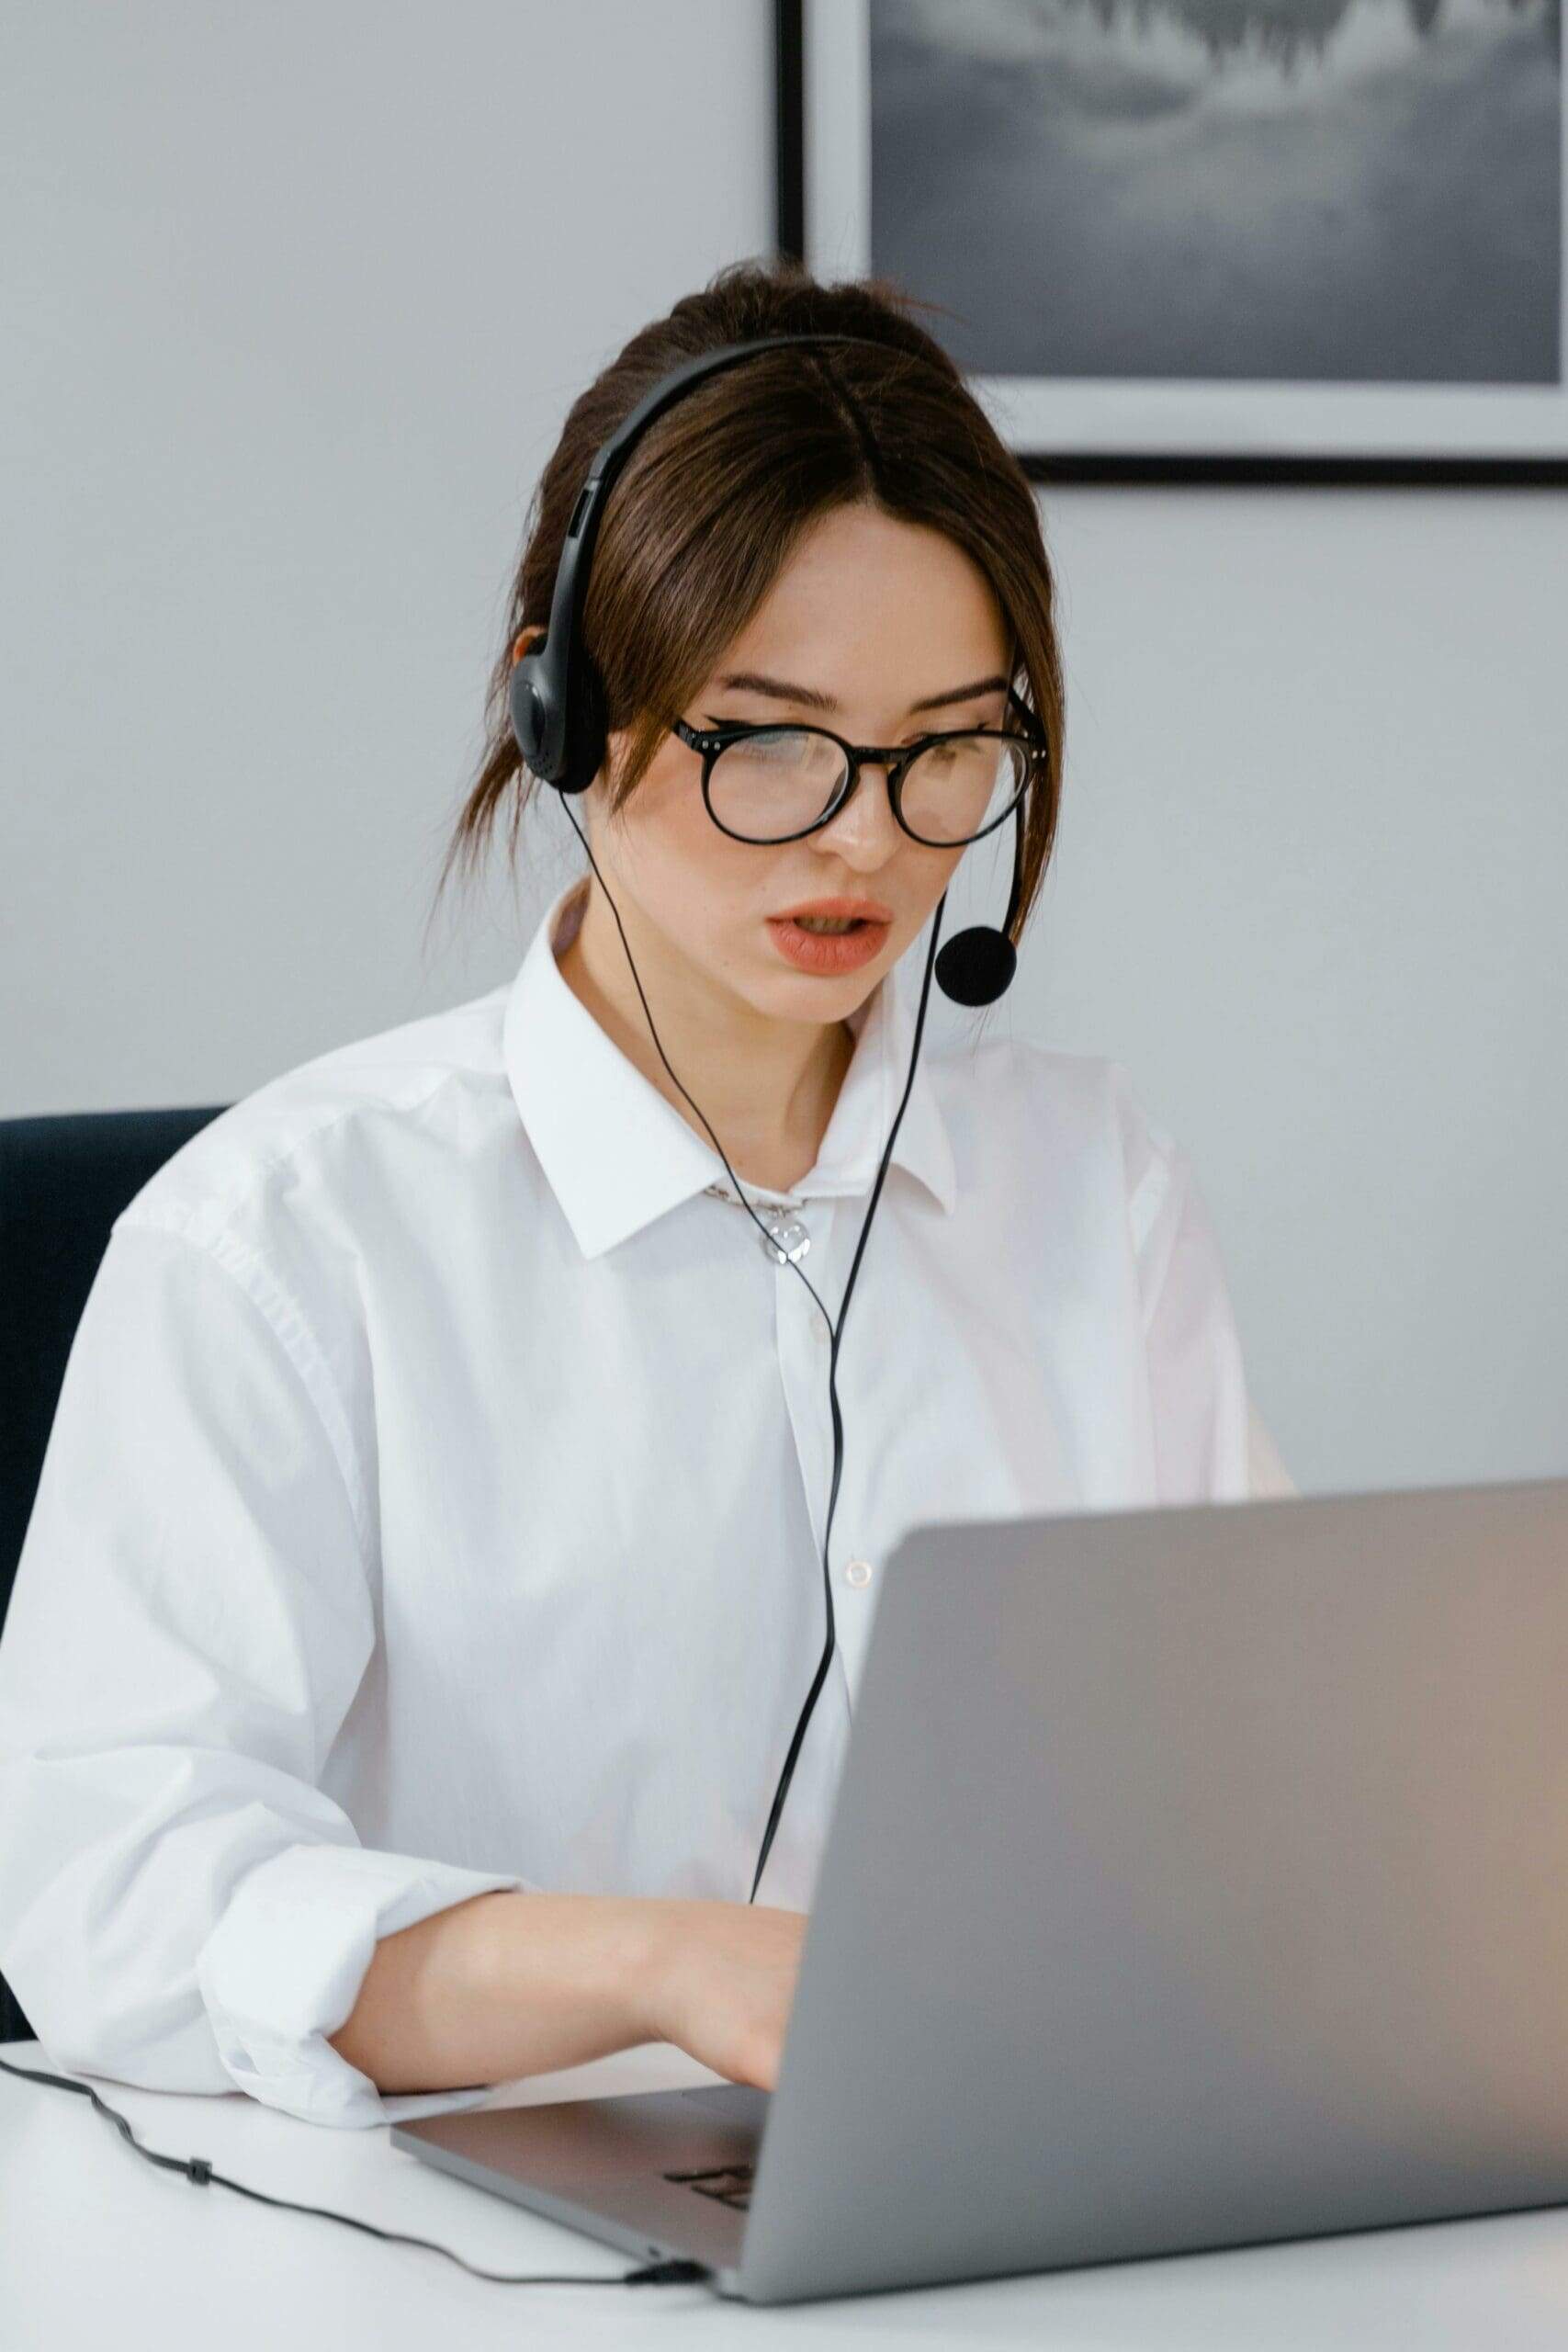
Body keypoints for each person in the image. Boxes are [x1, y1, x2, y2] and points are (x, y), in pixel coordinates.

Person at [0, 259, 1295, 2132]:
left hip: (1011, 2180)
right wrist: (657, 1961)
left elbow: (1261, 1762)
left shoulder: (1089, 1187)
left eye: (945, 746)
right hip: (449, 2240)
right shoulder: (284, 1240)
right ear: (566, 706)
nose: (865, 833)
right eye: (766, 737)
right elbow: (110, 1889)